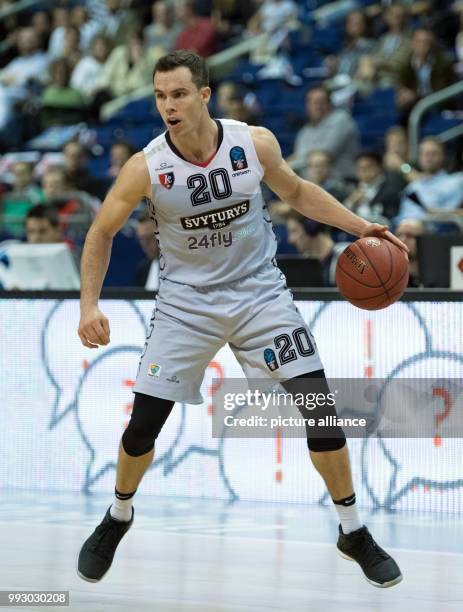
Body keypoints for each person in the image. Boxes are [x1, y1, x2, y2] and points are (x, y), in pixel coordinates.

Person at [76, 50, 407, 588]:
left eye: (179, 94)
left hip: (259, 296)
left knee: (321, 408)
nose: (168, 106)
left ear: (205, 95)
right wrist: (89, 304)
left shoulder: (252, 143)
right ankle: (118, 514)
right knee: (143, 427)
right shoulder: (147, 166)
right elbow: (100, 233)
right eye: (160, 96)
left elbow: (297, 192)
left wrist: (358, 226)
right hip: (186, 304)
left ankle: (353, 529)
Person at [289, 86, 360, 179]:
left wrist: (288, 167)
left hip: (341, 180)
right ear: (307, 106)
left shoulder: (341, 119)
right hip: (313, 183)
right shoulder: (305, 130)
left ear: (329, 104)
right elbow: (298, 155)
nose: (317, 106)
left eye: (321, 102)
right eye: (313, 102)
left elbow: (324, 154)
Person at [285, 212, 352, 286]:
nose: (290, 240)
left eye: (294, 231)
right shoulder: (306, 261)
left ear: (310, 228)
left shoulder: (347, 256)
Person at [343, 151, 405, 222]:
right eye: (360, 168)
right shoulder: (350, 185)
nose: (364, 171)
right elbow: (342, 216)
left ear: (380, 167)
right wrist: (351, 202)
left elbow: (390, 220)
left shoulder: (391, 188)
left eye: (368, 167)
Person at [134, 209, 159, 287]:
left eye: (149, 238)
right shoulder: (143, 269)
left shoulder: (180, 269)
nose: (145, 244)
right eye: (141, 239)